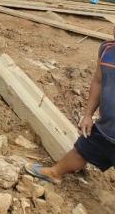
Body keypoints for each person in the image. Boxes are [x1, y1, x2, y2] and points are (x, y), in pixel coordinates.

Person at [24, 28, 115, 183]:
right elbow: (98, 82)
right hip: (106, 129)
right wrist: (88, 115)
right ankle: (54, 173)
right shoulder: (107, 50)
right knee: (81, 151)